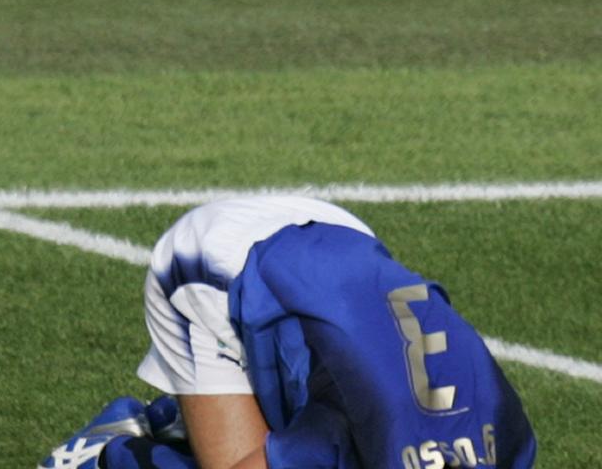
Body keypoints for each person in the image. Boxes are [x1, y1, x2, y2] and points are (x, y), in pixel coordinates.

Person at [38, 195, 537, 469]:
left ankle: (178, 420)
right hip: (210, 265)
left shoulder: (513, 443)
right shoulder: (353, 437)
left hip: (339, 239)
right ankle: (109, 455)